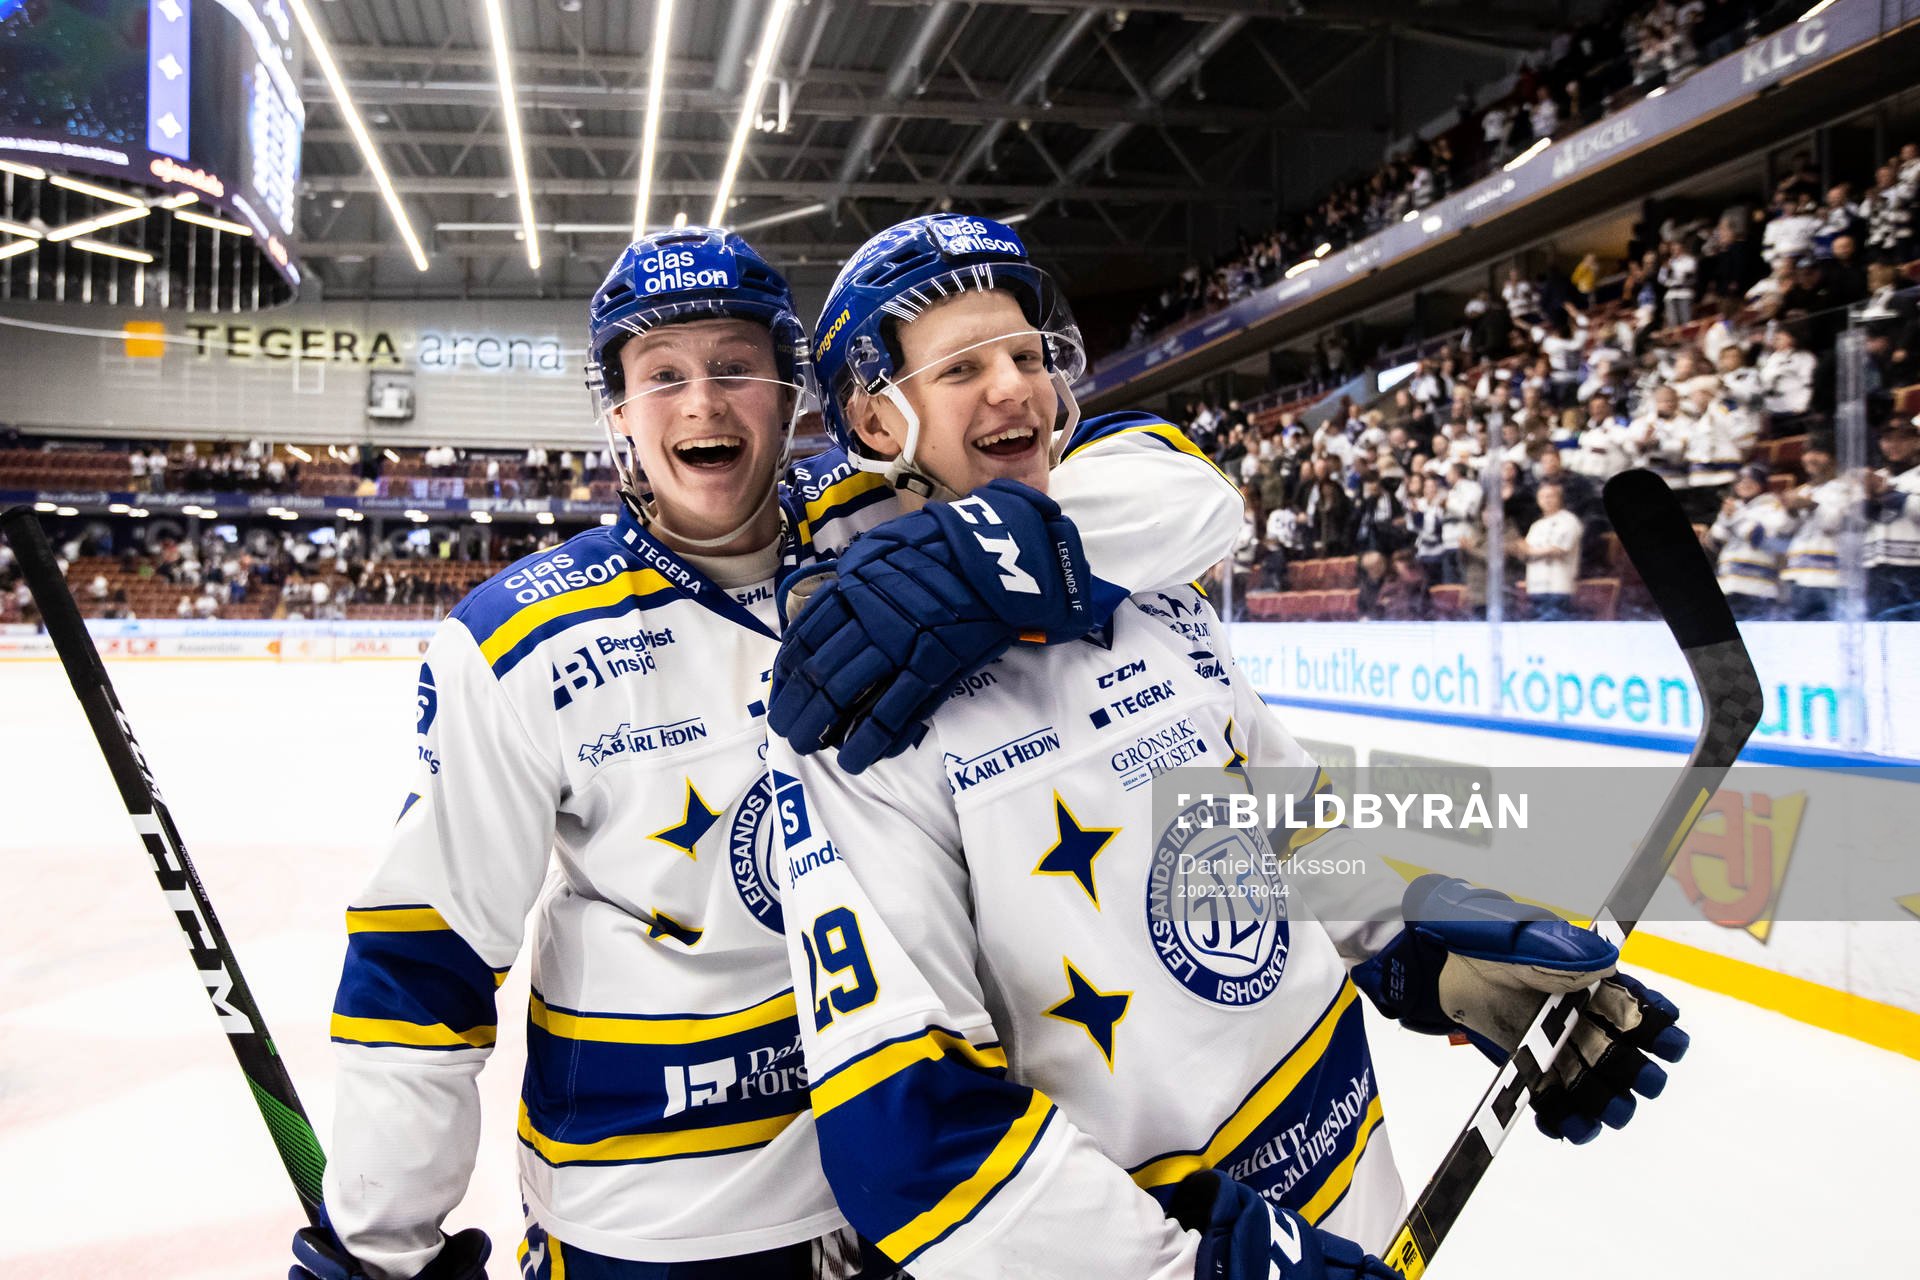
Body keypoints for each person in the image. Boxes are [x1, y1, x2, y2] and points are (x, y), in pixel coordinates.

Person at [293, 225, 1243, 1280]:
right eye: (664, 376)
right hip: (656, 1216)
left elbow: (1180, 485)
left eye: (736, 367)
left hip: (928, 1191)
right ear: (618, 412)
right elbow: (425, 954)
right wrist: (380, 1247)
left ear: (793, 392)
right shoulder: (516, 641)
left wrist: (981, 555)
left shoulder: (879, 509)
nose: (702, 403)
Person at [766, 214, 1688, 1280]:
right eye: (963, 366)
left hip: (1347, 1193)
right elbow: (911, 1136)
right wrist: (1200, 1268)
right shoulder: (864, 708)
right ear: (879, 424)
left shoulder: (1154, 592)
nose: (1014, 387)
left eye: (1026, 354)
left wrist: (1430, 961)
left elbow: (1283, 834)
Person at [1710, 464, 1791, 619]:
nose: (1745, 484)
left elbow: (1758, 537)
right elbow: (1717, 538)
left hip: (1758, 585)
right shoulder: (1733, 507)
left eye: (1751, 479)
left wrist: (1734, 518)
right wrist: (1726, 517)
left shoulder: (1773, 507)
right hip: (1727, 582)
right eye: (1741, 480)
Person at [1781, 436, 1847, 620]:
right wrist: (1791, 512)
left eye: (1818, 452)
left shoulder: (1847, 488)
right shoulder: (1801, 491)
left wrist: (1812, 506)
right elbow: (1782, 531)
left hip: (1830, 580)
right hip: (1797, 575)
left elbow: (1833, 523)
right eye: (1807, 453)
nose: (1810, 458)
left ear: (1833, 457)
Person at [1520, 479, 1582, 620]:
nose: (1546, 500)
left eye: (1551, 496)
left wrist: (1528, 550)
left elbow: (1558, 549)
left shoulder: (1569, 521)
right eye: (1542, 497)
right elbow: (1524, 551)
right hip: (1535, 587)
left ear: (1560, 498)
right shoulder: (1536, 525)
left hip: (1558, 588)